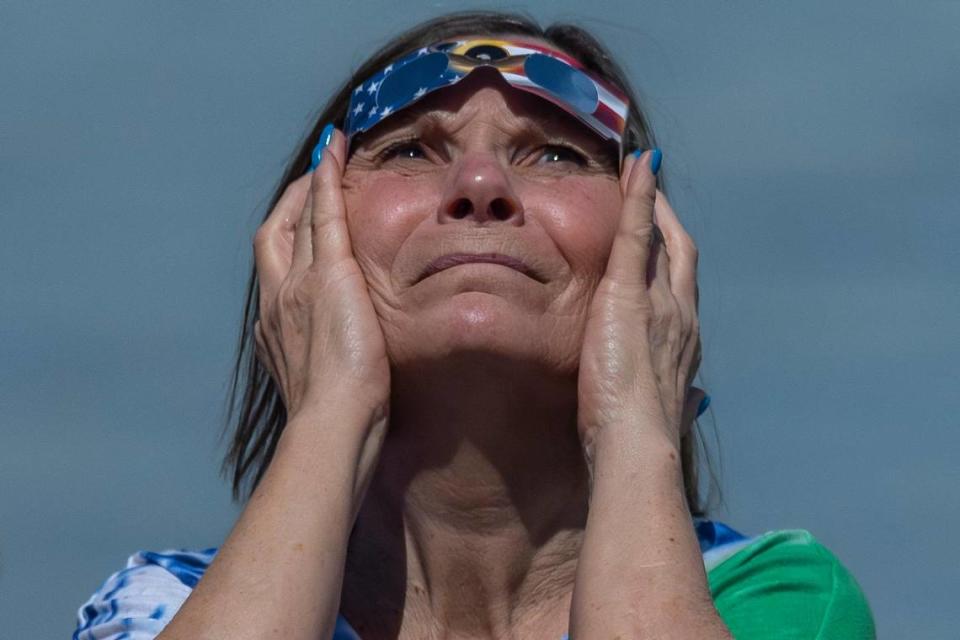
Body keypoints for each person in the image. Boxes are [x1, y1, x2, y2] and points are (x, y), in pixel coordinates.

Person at [72, 11, 876, 640]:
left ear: (655, 251)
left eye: (554, 155)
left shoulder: (767, 597)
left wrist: (636, 425)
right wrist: (331, 414)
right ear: (306, 244)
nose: (481, 183)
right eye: (411, 151)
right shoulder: (164, 603)